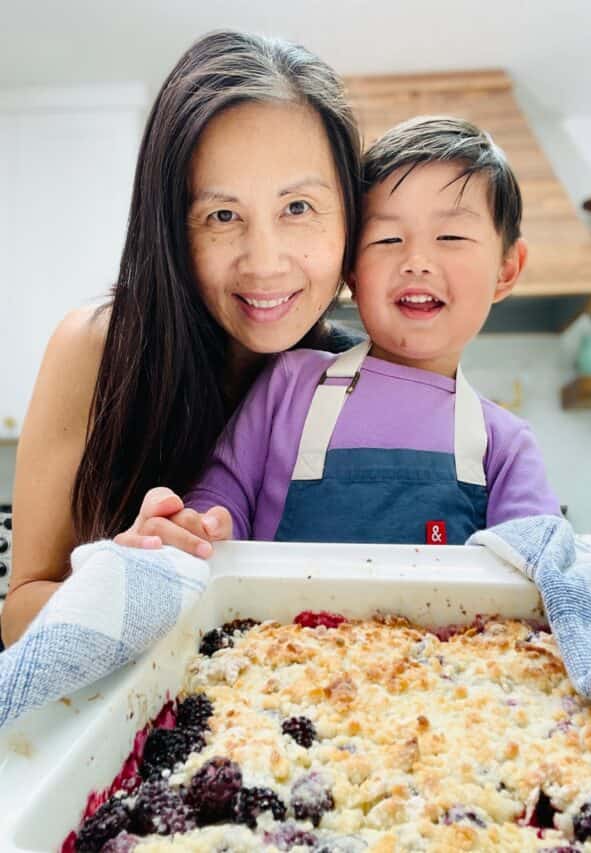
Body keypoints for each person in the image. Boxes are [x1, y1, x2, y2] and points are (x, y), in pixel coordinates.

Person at [1, 30, 363, 647]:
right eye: (222, 216)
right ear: (170, 228)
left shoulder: (361, 377)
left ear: (350, 212)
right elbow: (17, 615)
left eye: (298, 208)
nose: (265, 262)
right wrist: (122, 585)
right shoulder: (97, 350)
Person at [129, 116, 565, 548]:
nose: (416, 261)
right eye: (388, 240)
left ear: (507, 270)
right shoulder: (289, 384)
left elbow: (541, 564)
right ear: (352, 270)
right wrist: (201, 525)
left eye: (450, 236)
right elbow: (222, 497)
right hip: (279, 621)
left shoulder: (504, 444)